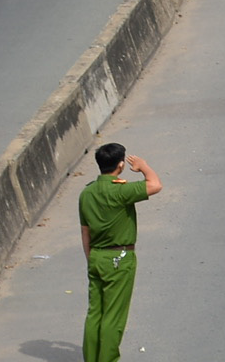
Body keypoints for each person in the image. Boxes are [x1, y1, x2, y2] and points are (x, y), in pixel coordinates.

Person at [79, 141, 160, 362]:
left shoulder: (86, 194)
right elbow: (155, 185)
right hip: (119, 259)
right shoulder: (121, 190)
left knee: (95, 313)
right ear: (121, 165)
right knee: (113, 317)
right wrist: (143, 166)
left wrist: (91, 259)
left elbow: (85, 232)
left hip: (96, 257)